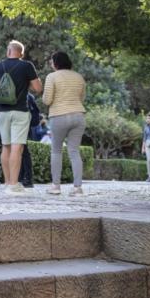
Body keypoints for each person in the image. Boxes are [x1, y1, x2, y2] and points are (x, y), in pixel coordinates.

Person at [0, 40, 42, 195]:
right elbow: (38, 88)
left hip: (2, 111)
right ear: (21, 53)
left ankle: (8, 183)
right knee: (17, 147)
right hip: (20, 111)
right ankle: (14, 184)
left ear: (8, 51)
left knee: (6, 146)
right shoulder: (27, 66)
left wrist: (0, 90)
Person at [42, 51, 87, 196]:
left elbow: (47, 100)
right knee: (74, 151)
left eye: (51, 61)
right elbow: (82, 98)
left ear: (56, 63)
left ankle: (56, 186)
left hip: (59, 115)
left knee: (56, 151)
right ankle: (78, 188)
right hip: (78, 115)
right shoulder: (78, 77)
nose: (51, 64)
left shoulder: (52, 77)